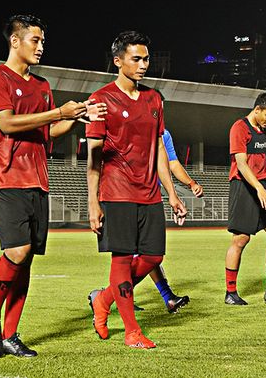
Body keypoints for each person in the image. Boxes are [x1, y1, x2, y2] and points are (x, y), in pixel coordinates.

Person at [0, 14, 106, 358]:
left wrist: (75, 118)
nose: (41, 46)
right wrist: (58, 113)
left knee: (27, 260)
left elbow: (48, 132)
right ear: (15, 41)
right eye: (35, 40)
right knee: (16, 252)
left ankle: (10, 334)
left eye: (43, 41)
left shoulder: (42, 85)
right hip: (6, 176)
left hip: (38, 179)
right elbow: (6, 123)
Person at [86, 31, 187, 349]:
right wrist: (93, 201)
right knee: (120, 259)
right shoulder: (100, 99)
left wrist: (171, 192)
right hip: (116, 192)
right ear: (118, 61)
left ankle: (103, 299)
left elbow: (159, 149)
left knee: (154, 255)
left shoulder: (154, 99)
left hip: (149, 192)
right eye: (136, 59)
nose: (144, 64)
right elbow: (94, 154)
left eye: (146, 59)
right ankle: (132, 331)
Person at [224, 92, 266, 305]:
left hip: (261, 184)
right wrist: (259, 188)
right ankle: (230, 292)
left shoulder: (262, 129)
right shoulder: (239, 127)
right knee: (241, 239)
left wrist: (263, 186)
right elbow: (241, 164)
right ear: (257, 109)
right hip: (244, 185)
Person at [135, 128, 200, 313]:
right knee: (131, 253)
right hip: (125, 195)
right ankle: (111, 297)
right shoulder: (128, 123)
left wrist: (188, 185)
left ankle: (114, 296)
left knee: (149, 252)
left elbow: (171, 163)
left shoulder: (163, 133)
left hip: (150, 196)